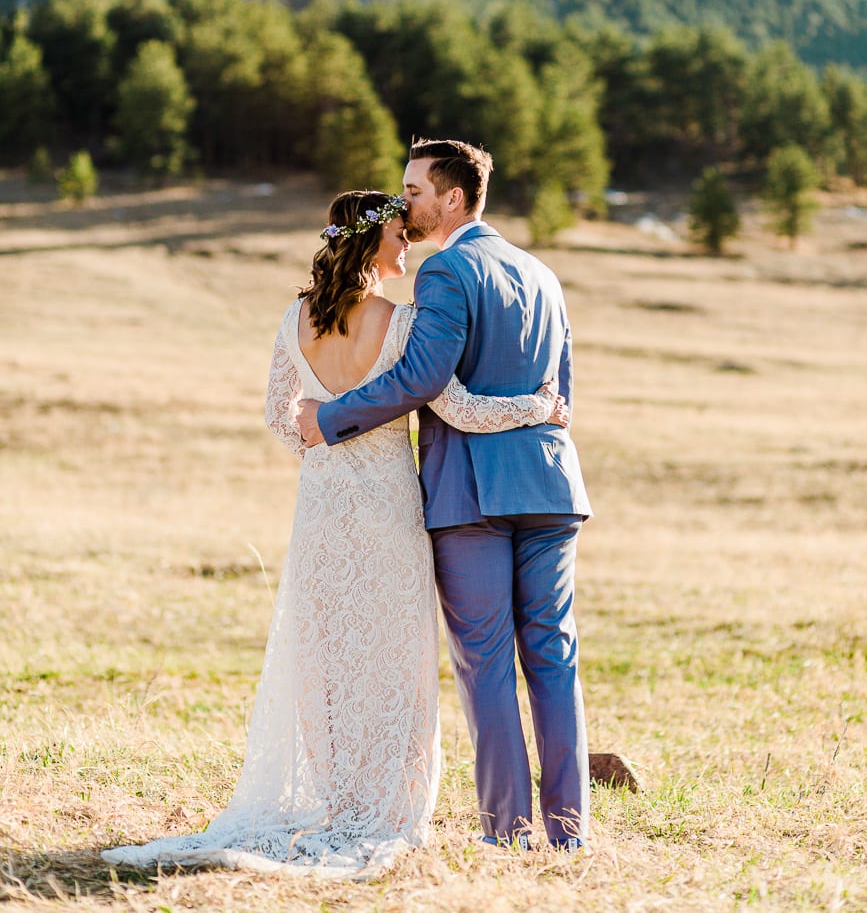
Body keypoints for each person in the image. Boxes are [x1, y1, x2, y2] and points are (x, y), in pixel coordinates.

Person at [101, 189, 565, 880]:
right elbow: (459, 409)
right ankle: (382, 809)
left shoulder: (296, 316)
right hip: (388, 508)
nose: (408, 245)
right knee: (392, 660)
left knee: (327, 655)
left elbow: (278, 415)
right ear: (373, 242)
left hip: (321, 505)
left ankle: (341, 797)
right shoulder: (402, 322)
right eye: (400, 236)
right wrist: (538, 405)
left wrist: (326, 458)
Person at [298, 140, 593, 852]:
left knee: (486, 664)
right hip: (552, 484)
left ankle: (509, 832)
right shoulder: (540, 273)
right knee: (553, 656)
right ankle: (567, 832)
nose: (405, 204)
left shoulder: (446, 269)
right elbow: (561, 393)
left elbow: (422, 376)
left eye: (415, 189)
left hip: (473, 497)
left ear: (452, 198)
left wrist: (328, 419)